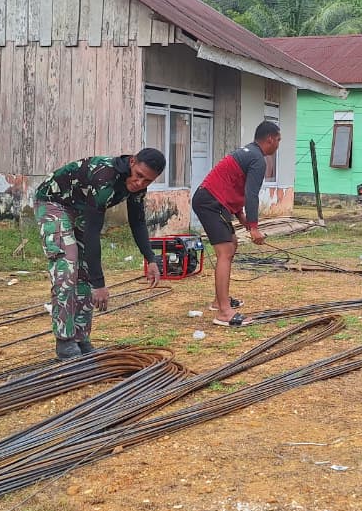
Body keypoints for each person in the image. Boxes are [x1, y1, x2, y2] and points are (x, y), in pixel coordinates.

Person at [34, 148, 166, 360]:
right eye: (139, 175)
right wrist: (100, 284)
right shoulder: (104, 177)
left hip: (80, 208)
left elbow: (138, 221)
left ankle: (81, 338)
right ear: (132, 162)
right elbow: (92, 233)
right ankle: (65, 341)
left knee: (85, 271)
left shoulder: (138, 186)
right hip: (54, 203)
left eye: (147, 181)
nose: (140, 183)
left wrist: (150, 258)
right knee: (67, 266)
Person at [193, 121, 282, 327]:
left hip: (214, 200)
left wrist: (241, 216)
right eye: (278, 140)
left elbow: (233, 185)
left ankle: (220, 301)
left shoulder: (249, 153)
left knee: (231, 244)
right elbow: (251, 194)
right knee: (225, 252)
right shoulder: (257, 159)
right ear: (270, 139)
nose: (278, 144)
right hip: (211, 202)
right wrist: (254, 227)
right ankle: (224, 313)